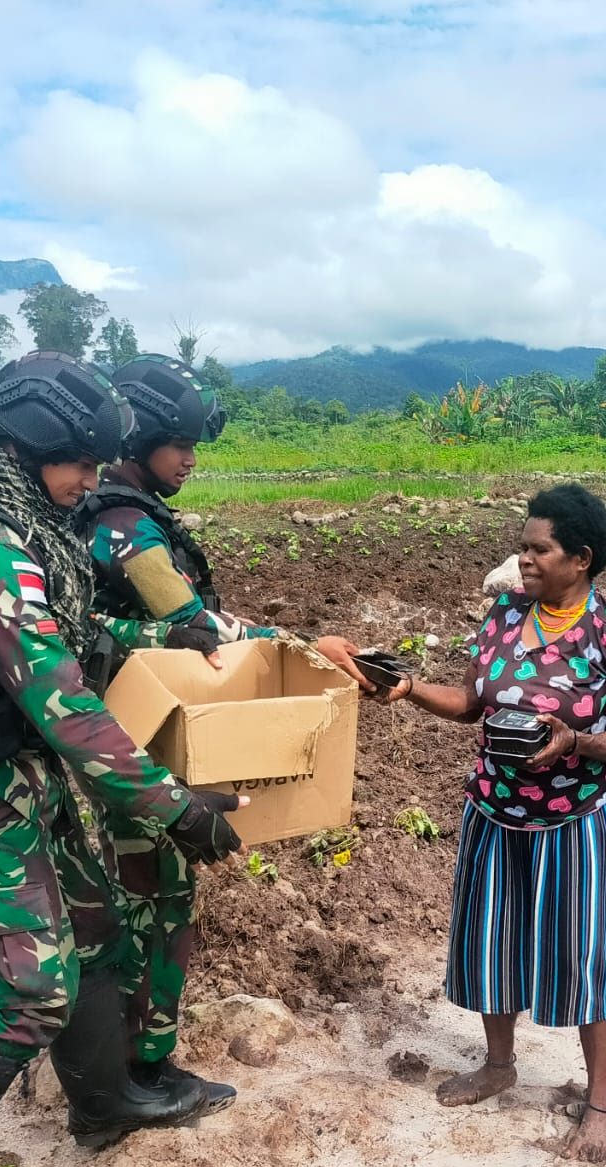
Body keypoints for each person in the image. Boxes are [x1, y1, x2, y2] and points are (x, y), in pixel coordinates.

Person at [0, 352, 248, 1167]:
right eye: (78, 461)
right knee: (28, 996)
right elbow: (66, 705)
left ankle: (107, 1100)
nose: (88, 478)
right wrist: (179, 808)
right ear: (32, 449)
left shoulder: (28, 530)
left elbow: (79, 638)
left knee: (101, 930)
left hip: (26, 780)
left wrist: (166, 635)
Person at [78, 353, 366, 1109]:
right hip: (139, 739)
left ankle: (127, 1058)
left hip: (134, 728)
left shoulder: (122, 513)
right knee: (153, 901)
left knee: (150, 897)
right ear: (139, 440)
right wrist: (303, 643)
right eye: (179, 443)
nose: (192, 458)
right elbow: (193, 625)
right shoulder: (123, 527)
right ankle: (135, 1071)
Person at [379, 482, 606, 1164]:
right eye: (523, 546)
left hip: (574, 819)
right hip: (494, 810)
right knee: (490, 941)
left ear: (581, 557)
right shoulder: (505, 613)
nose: (524, 559)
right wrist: (409, 688)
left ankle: (601, 1102)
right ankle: (499, 1064)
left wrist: (575, 741)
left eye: (539, 548)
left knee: (584, 956)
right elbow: (473, 700)